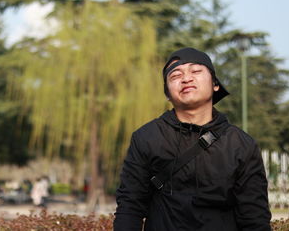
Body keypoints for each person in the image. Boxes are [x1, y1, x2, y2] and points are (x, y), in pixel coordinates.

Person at [114, 48, 271, 231]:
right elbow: (130, 207)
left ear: (215, 84)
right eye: (175, 76)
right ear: (167, 94)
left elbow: (255, 218)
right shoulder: (147, 138)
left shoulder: (241, 145)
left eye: (196, 71)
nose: (186, 78)